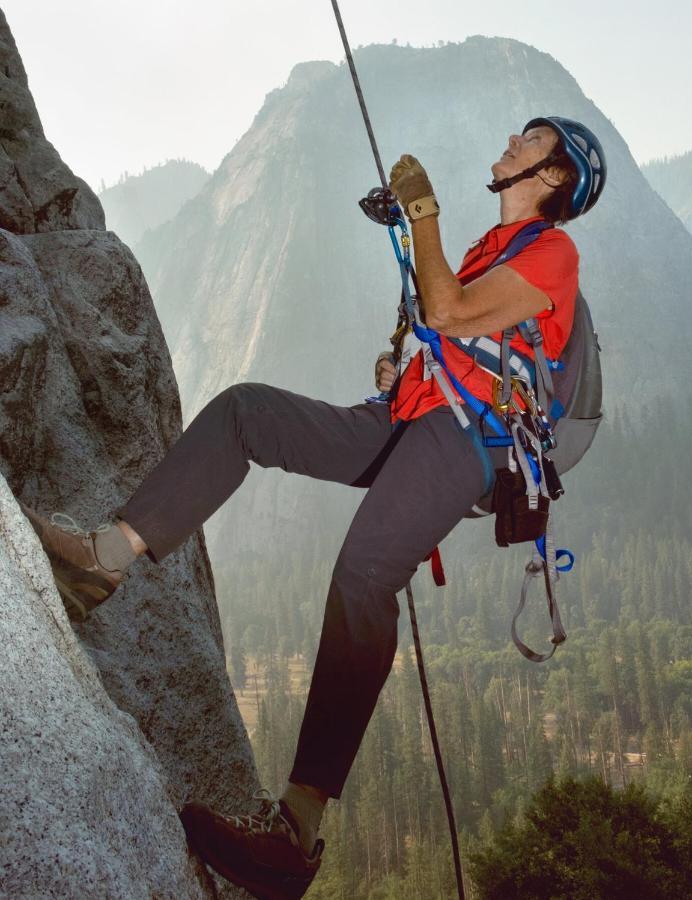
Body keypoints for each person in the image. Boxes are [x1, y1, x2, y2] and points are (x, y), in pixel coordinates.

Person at [21, 116, 606, 899]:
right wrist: (407, 369)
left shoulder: (553, 253)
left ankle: (295, 830)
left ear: (556, 176)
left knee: (365, 576)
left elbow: (450, 313)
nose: (511, 140)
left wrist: (421, 216)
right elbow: (454, 325)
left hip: (467, 442)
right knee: (246, 413)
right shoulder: (490, 250)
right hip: (413, 418)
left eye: (530, 139)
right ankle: (106, 560)